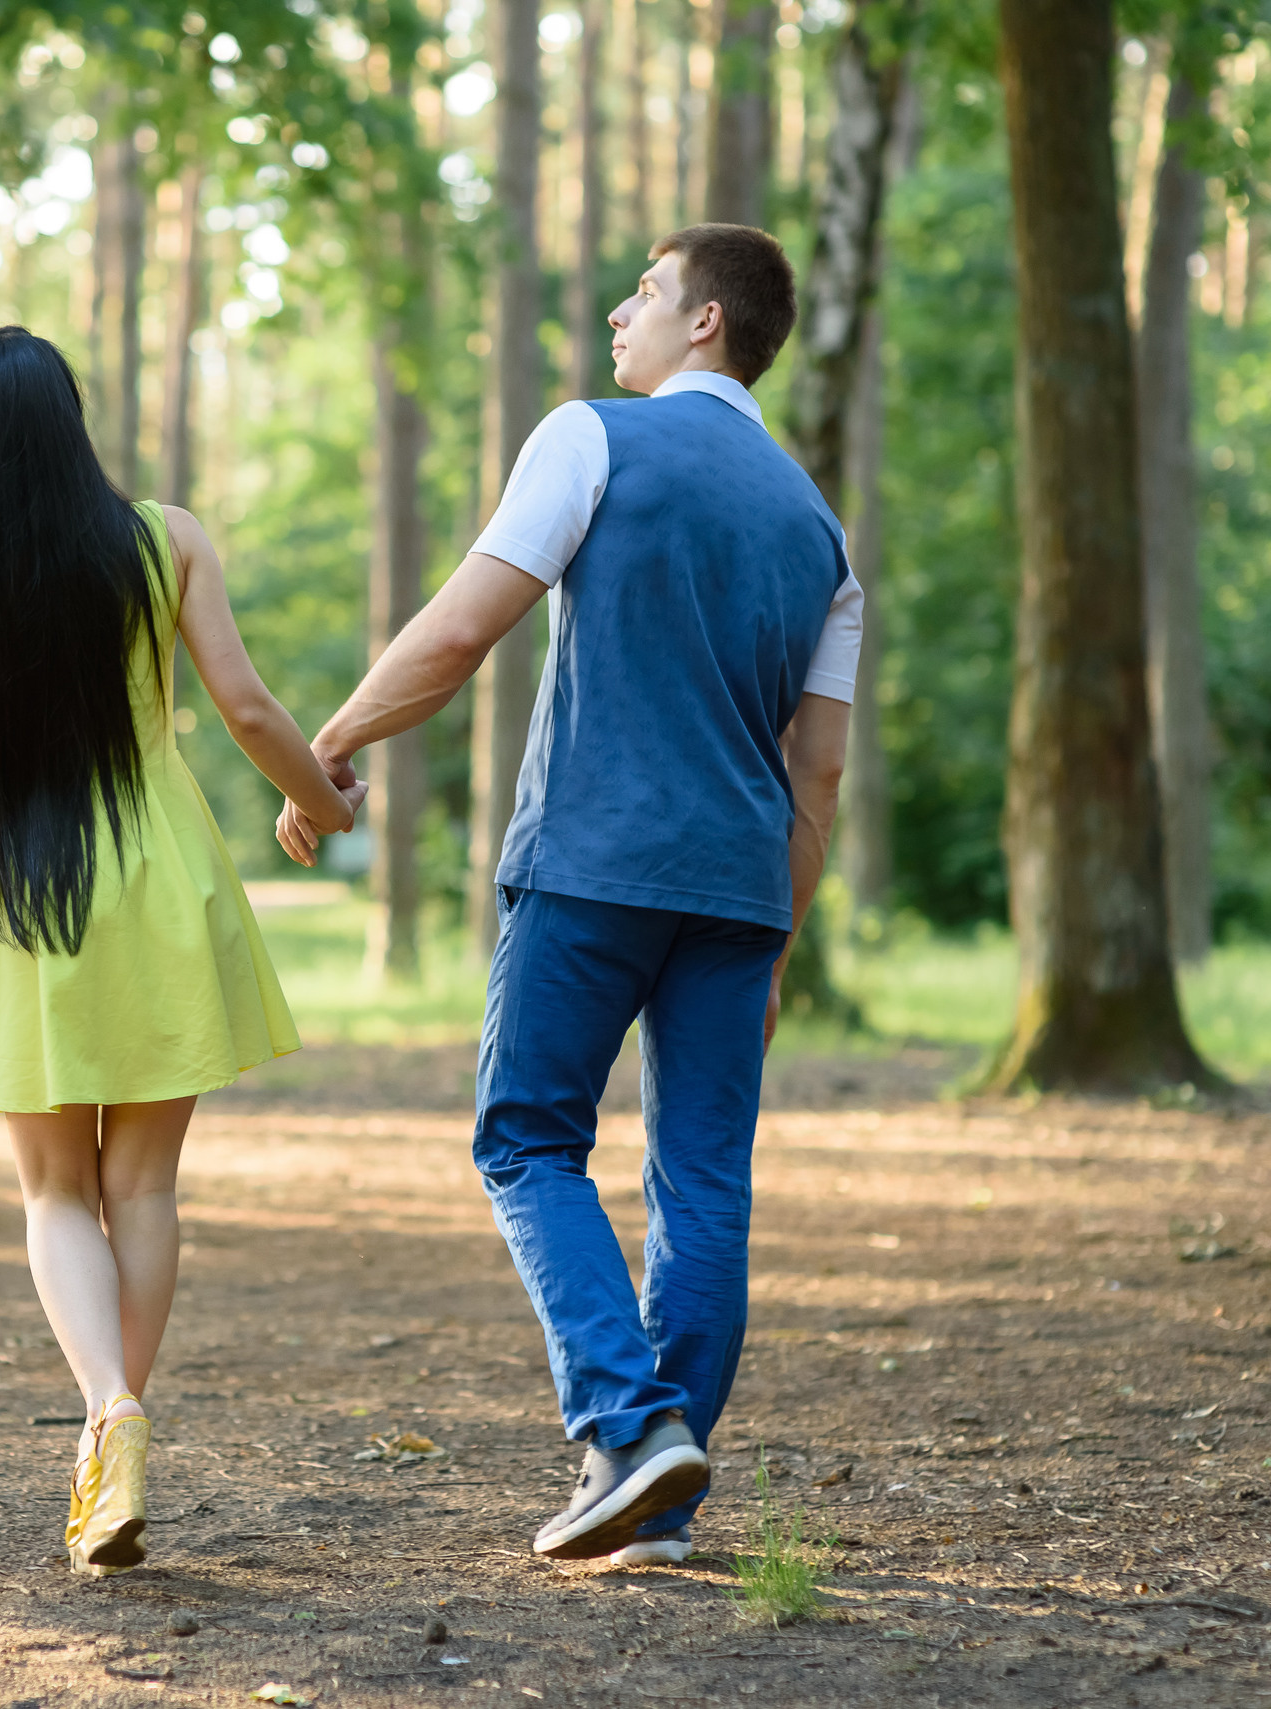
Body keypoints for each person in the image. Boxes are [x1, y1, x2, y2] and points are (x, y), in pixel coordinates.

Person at [278, 225, 860, 1564]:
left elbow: (465, 624)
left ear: (704, 321)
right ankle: (662, 1498)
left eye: (646, 292)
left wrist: (337, 739)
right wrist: (780, 942)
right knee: (705, 1177)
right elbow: (815, 774)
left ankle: (628, 1421)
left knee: (528, 1138)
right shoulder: (822, 531)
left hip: (593, 863)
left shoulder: (593, 437)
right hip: (739, 892)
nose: (620, 311)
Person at [0, 327, 365, 1577]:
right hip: (158, 875)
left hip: (28, 896)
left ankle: (107, 1410)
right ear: (69, 424)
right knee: (144, 1188)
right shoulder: (162, 538)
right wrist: (321, 805)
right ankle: (116, 1426)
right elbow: (249, 707)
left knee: (55, 1190)